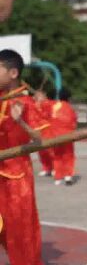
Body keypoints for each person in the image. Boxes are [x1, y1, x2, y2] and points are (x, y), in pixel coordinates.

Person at [0, 49, 45, 265]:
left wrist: (21, 122)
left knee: (21, 233)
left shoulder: (25, 103)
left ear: (13, 72)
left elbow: (40, 140)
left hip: (16, 178)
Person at [50, 88, 77, 185]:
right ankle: (68, 176)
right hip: (68, 136)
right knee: (68, 156)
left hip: (56, 136)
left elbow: (51, 120)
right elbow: (74, 123)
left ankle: (58, 177)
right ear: (69, 97)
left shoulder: (54, 106)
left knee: (57, 156)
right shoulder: (70, 108)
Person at [33, 90, 55, 177]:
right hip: (37, 129)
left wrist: (40, 103)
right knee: (41, 151)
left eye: (40, 95)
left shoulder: (48, 104)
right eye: (36, 95)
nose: (38, 97)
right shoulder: (33, 104)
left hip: (46, 128)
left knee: (50, 149)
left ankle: (54, 167)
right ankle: (46, 168)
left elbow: (47, 115)